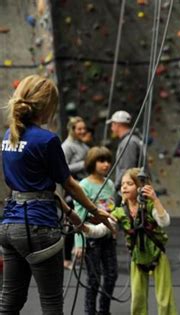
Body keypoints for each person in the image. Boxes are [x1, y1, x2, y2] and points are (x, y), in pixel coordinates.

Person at [0, 74, 115, 314]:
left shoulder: (8, 137)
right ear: (47, 106)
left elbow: (32, 188)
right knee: (51, 301)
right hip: (38, 226)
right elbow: (70, 184)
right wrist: (95, 211)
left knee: (9, 302)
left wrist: (71, 214)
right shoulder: (47, 139)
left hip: (10, 225)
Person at [85, 168, 178, 315]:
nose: (124, 187)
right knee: (137, 300)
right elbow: (100, 230)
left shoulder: (149, 206)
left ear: (140, 187)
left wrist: (155, 199)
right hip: (137, 259)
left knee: (164, 299)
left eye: (129, 183)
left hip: (157, 256)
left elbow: (164, 222)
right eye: (123, 184)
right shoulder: (119, 212)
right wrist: (83, 227)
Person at [73, 146, 117, 315]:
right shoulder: (84, 185)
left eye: (108, 161)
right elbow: (79, 214)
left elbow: (112, 209)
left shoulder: (110, 183)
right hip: (90, 237)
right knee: (94, 278)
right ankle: (89, 312)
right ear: (92, 162)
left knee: (112, 275)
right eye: (101, 161)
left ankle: (103, 310)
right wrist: (79, 243)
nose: (106, 164)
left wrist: (113, 229)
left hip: (107, 236)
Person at [61, 116, 89, 269]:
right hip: (73, 189)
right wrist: (83, 164)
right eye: (79, 129)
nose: (82, 131)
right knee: (72, 223)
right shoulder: (67, 146)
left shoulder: (82, 145)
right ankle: (66, 259)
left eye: (83, 128)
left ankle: (79, 253)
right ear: (72, 130)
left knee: (83, 221)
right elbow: (63, 169)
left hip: (84, 188)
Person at [106, 110, 144, 199]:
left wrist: (115, 187)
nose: (111, 128)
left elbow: (127, 169)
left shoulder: (128, 142)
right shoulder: (132, 139)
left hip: (131, 191)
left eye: (112, 125)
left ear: (117, 125)